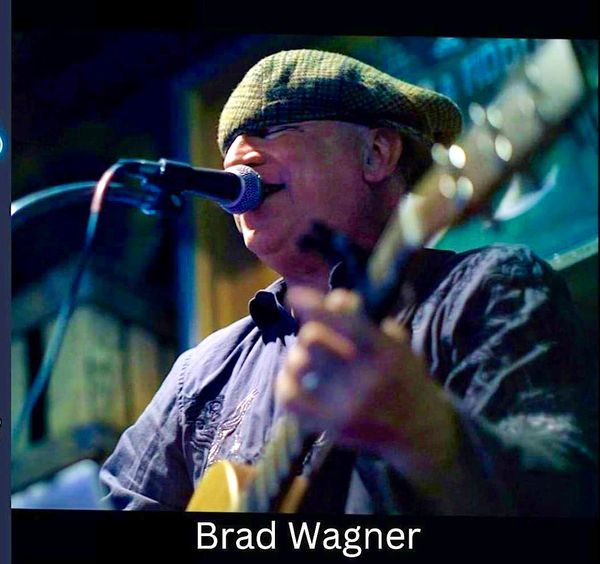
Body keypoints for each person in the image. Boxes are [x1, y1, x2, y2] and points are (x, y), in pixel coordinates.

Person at [100, 48, 597, 515]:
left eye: (275, 129)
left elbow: (566, 500)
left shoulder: (486, 289)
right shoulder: (199, 376)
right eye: (230, 146)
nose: (239, 158)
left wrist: (426, 431)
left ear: (376, 153)